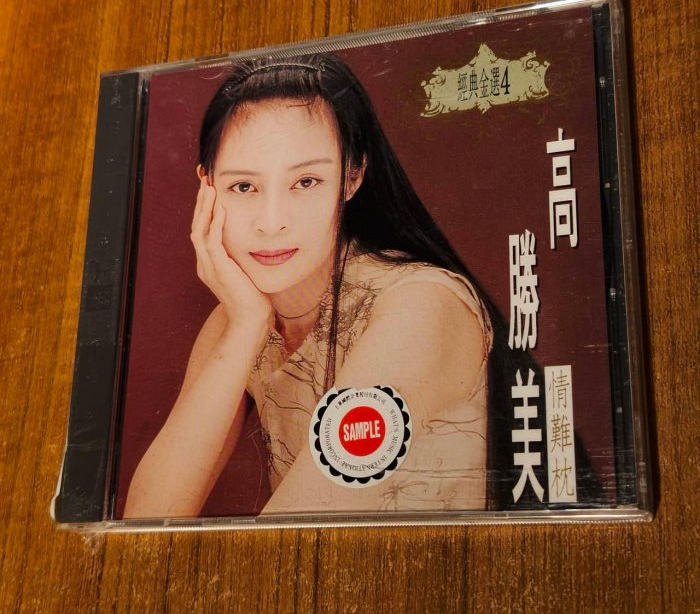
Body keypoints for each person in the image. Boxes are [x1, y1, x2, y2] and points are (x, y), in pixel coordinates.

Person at [123, 53, 536, 519]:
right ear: (207, 186)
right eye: (243, 187)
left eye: (306, 181)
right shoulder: (241, 313)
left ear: (352, 176)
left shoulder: (418, 306)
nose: (272, 222)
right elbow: (145, 521)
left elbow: (293, 538)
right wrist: (247, 323)